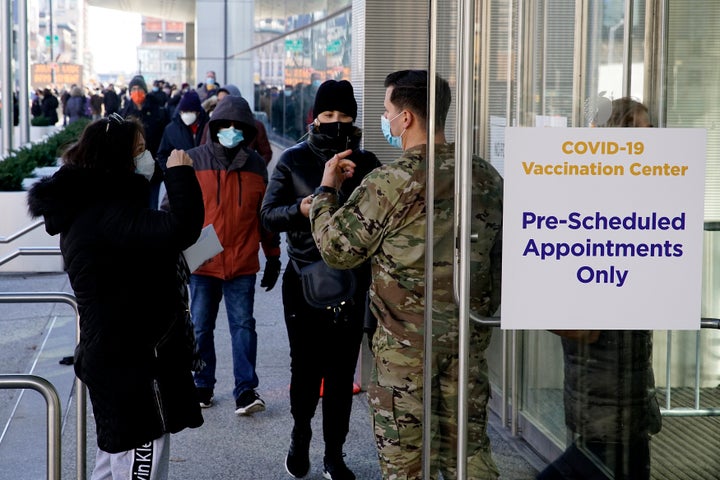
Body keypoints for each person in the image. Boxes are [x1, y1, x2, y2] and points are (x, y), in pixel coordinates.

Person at [307, 70, 503, 480]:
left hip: (403, 359)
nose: (386, 119)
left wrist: (325, 195)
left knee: (406, 467)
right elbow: (502, 260)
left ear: (407, 118)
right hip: (465, 347)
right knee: (468, 458)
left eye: (387, 111)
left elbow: (337, 249)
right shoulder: (485, 178)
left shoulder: (389, 183)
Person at [26, 114, 205, 480]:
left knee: (113, 464)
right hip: (131, 366)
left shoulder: (94, 207)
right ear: (117, 159)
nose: (147, 156)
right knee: (139, 463)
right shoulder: (108, 212)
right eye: (139, 150)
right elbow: (181, 228)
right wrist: (181, 174)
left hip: (119, 358)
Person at [261, 79, 381, 480]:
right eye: (327, 115)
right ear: (314, 117)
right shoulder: (293, 159)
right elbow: (267, 215)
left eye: (343, 117)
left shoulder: (368, 164)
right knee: (306, 369)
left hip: (352, 282)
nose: (335, 123)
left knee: (342, 372)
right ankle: (300, 434)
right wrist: (301, 207)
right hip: (304, 281)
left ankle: (335, 454)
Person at [538, 97, 659, 480]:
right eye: (643, 133)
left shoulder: (639, 196)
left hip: (625, 383)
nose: (652, 141)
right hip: (605, 381)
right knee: (604, 460)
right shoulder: (593, 202)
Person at [184, 94, 281, 416]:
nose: (230, 130)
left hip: (241, 262)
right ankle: (202, 384)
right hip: (203, 262)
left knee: (243, 326)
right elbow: (173, 208)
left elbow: (263, 216)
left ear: (247, 130)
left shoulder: (255, 165)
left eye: (237, 126)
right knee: (200, 326)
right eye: (223, 125)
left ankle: (245, 390)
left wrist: (274, 254)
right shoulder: (193, 159)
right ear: (214, 127)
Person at [121, 74, 171, 209]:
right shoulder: (125, 112)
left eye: (139, 88)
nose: (136, 92)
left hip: (153, 163)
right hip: (133, 167)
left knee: (152, 204)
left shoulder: (158, 110)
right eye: (133, 89)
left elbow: (165, 136)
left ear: (145, 90)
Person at [199, 84, 273, 165]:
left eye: (225, 100)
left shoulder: (255, 125)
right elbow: (203, 151)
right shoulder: (211, 125)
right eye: (219, 100)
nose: (221, 103)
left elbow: (266, 153)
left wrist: (254, 169)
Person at [156, 90, 208, 172]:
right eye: (183, 112)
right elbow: (162, 154)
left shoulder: (208, 127)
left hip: (205, 175)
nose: (186, 115)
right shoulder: (171, 129)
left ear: (198, 112)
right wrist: (172, 172)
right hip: (181, 177)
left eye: (190, 111)